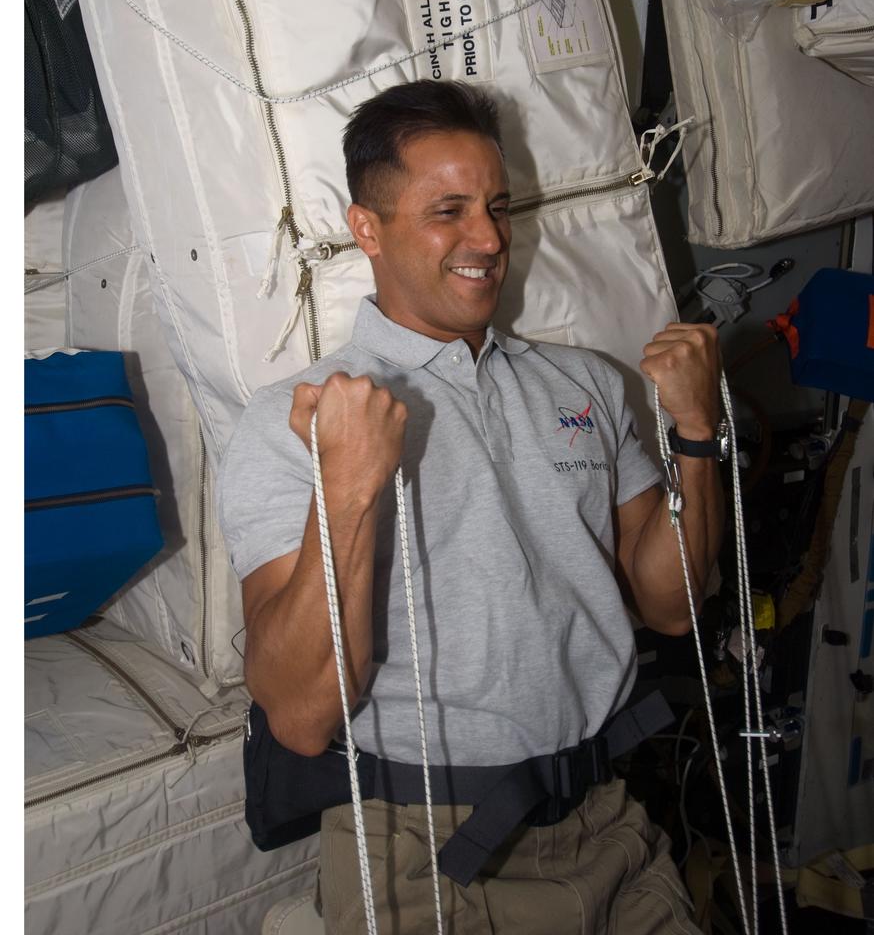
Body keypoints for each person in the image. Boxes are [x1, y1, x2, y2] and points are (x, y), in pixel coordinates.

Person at [218, 79, 724, 934]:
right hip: (427, 851)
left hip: (607, 820)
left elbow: (671, 607)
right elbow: (301, 720)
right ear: (367, 229)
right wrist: (344, 493)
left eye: (497, 205)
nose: (488, 239)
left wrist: (696, 431)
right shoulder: (295, 419)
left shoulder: (585, 384)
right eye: (447, 210)